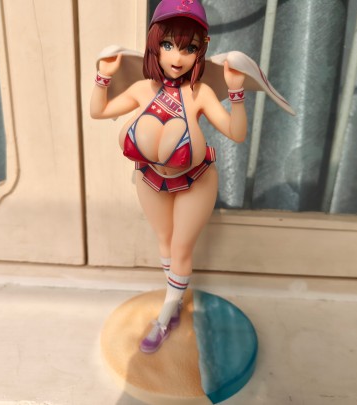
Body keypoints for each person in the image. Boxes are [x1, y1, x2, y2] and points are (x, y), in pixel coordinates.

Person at [91, 0, 293, 353]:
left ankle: (165, 315)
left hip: (195, 181)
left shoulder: (200, 93)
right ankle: (175, 302)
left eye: (189, 48)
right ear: (154, 44)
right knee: (165, 242)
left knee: (181, 247)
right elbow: (99, 111)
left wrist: (236, 92)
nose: (177, 57)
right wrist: (103, 76)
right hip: (151, 179)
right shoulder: (142, 88)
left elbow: (236, 133)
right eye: (168, 44)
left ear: (202, 50)